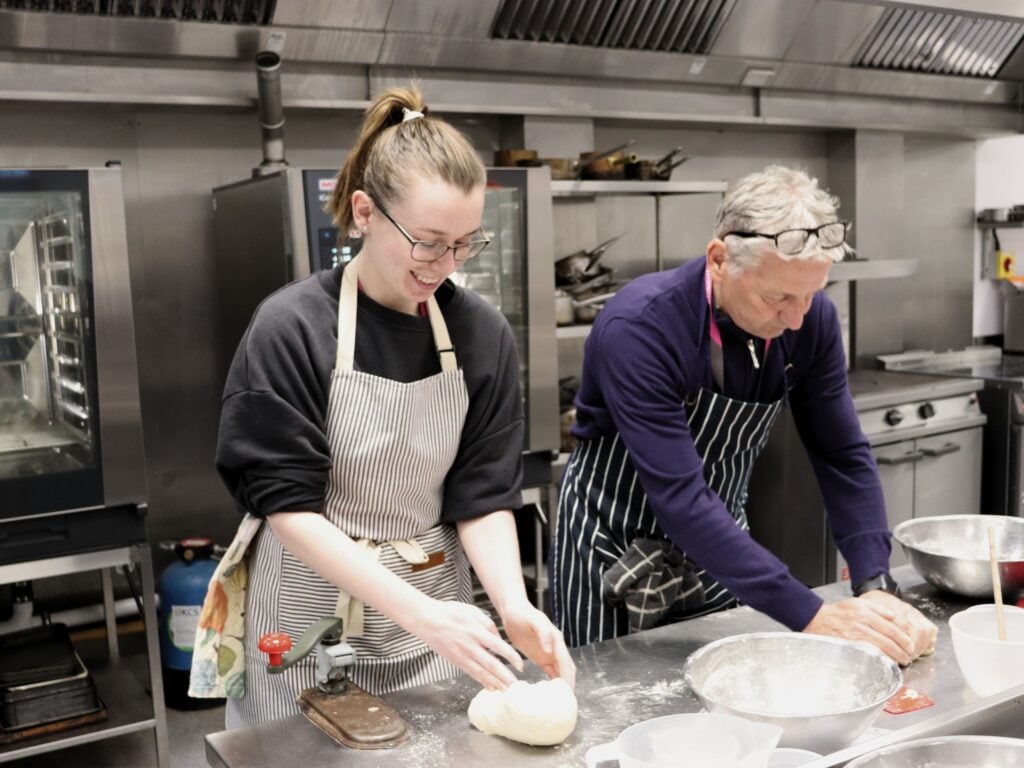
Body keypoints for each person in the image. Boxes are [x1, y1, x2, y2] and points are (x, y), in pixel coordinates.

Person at [192, 85, 574, 728]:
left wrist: (512, 604)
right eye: (428, 242)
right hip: (311, 607)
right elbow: (288, 506)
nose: (445, 266)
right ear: (364, 212)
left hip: (434, 608)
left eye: (465, 244)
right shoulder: (291, 327)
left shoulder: (481, 333)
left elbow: (481, 493)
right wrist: (419, 613)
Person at [551, 165, 936, 664]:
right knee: (612, 709)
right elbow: (682, 498)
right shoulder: (641, 327)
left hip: (723, 552)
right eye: (778, 297)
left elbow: (840, 453)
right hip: (612, 554)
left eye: (811, 294)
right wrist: (812, 614)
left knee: (724, 707)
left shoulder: (810, 320)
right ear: (719, 259)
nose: (797, 318)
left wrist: (874, 583)